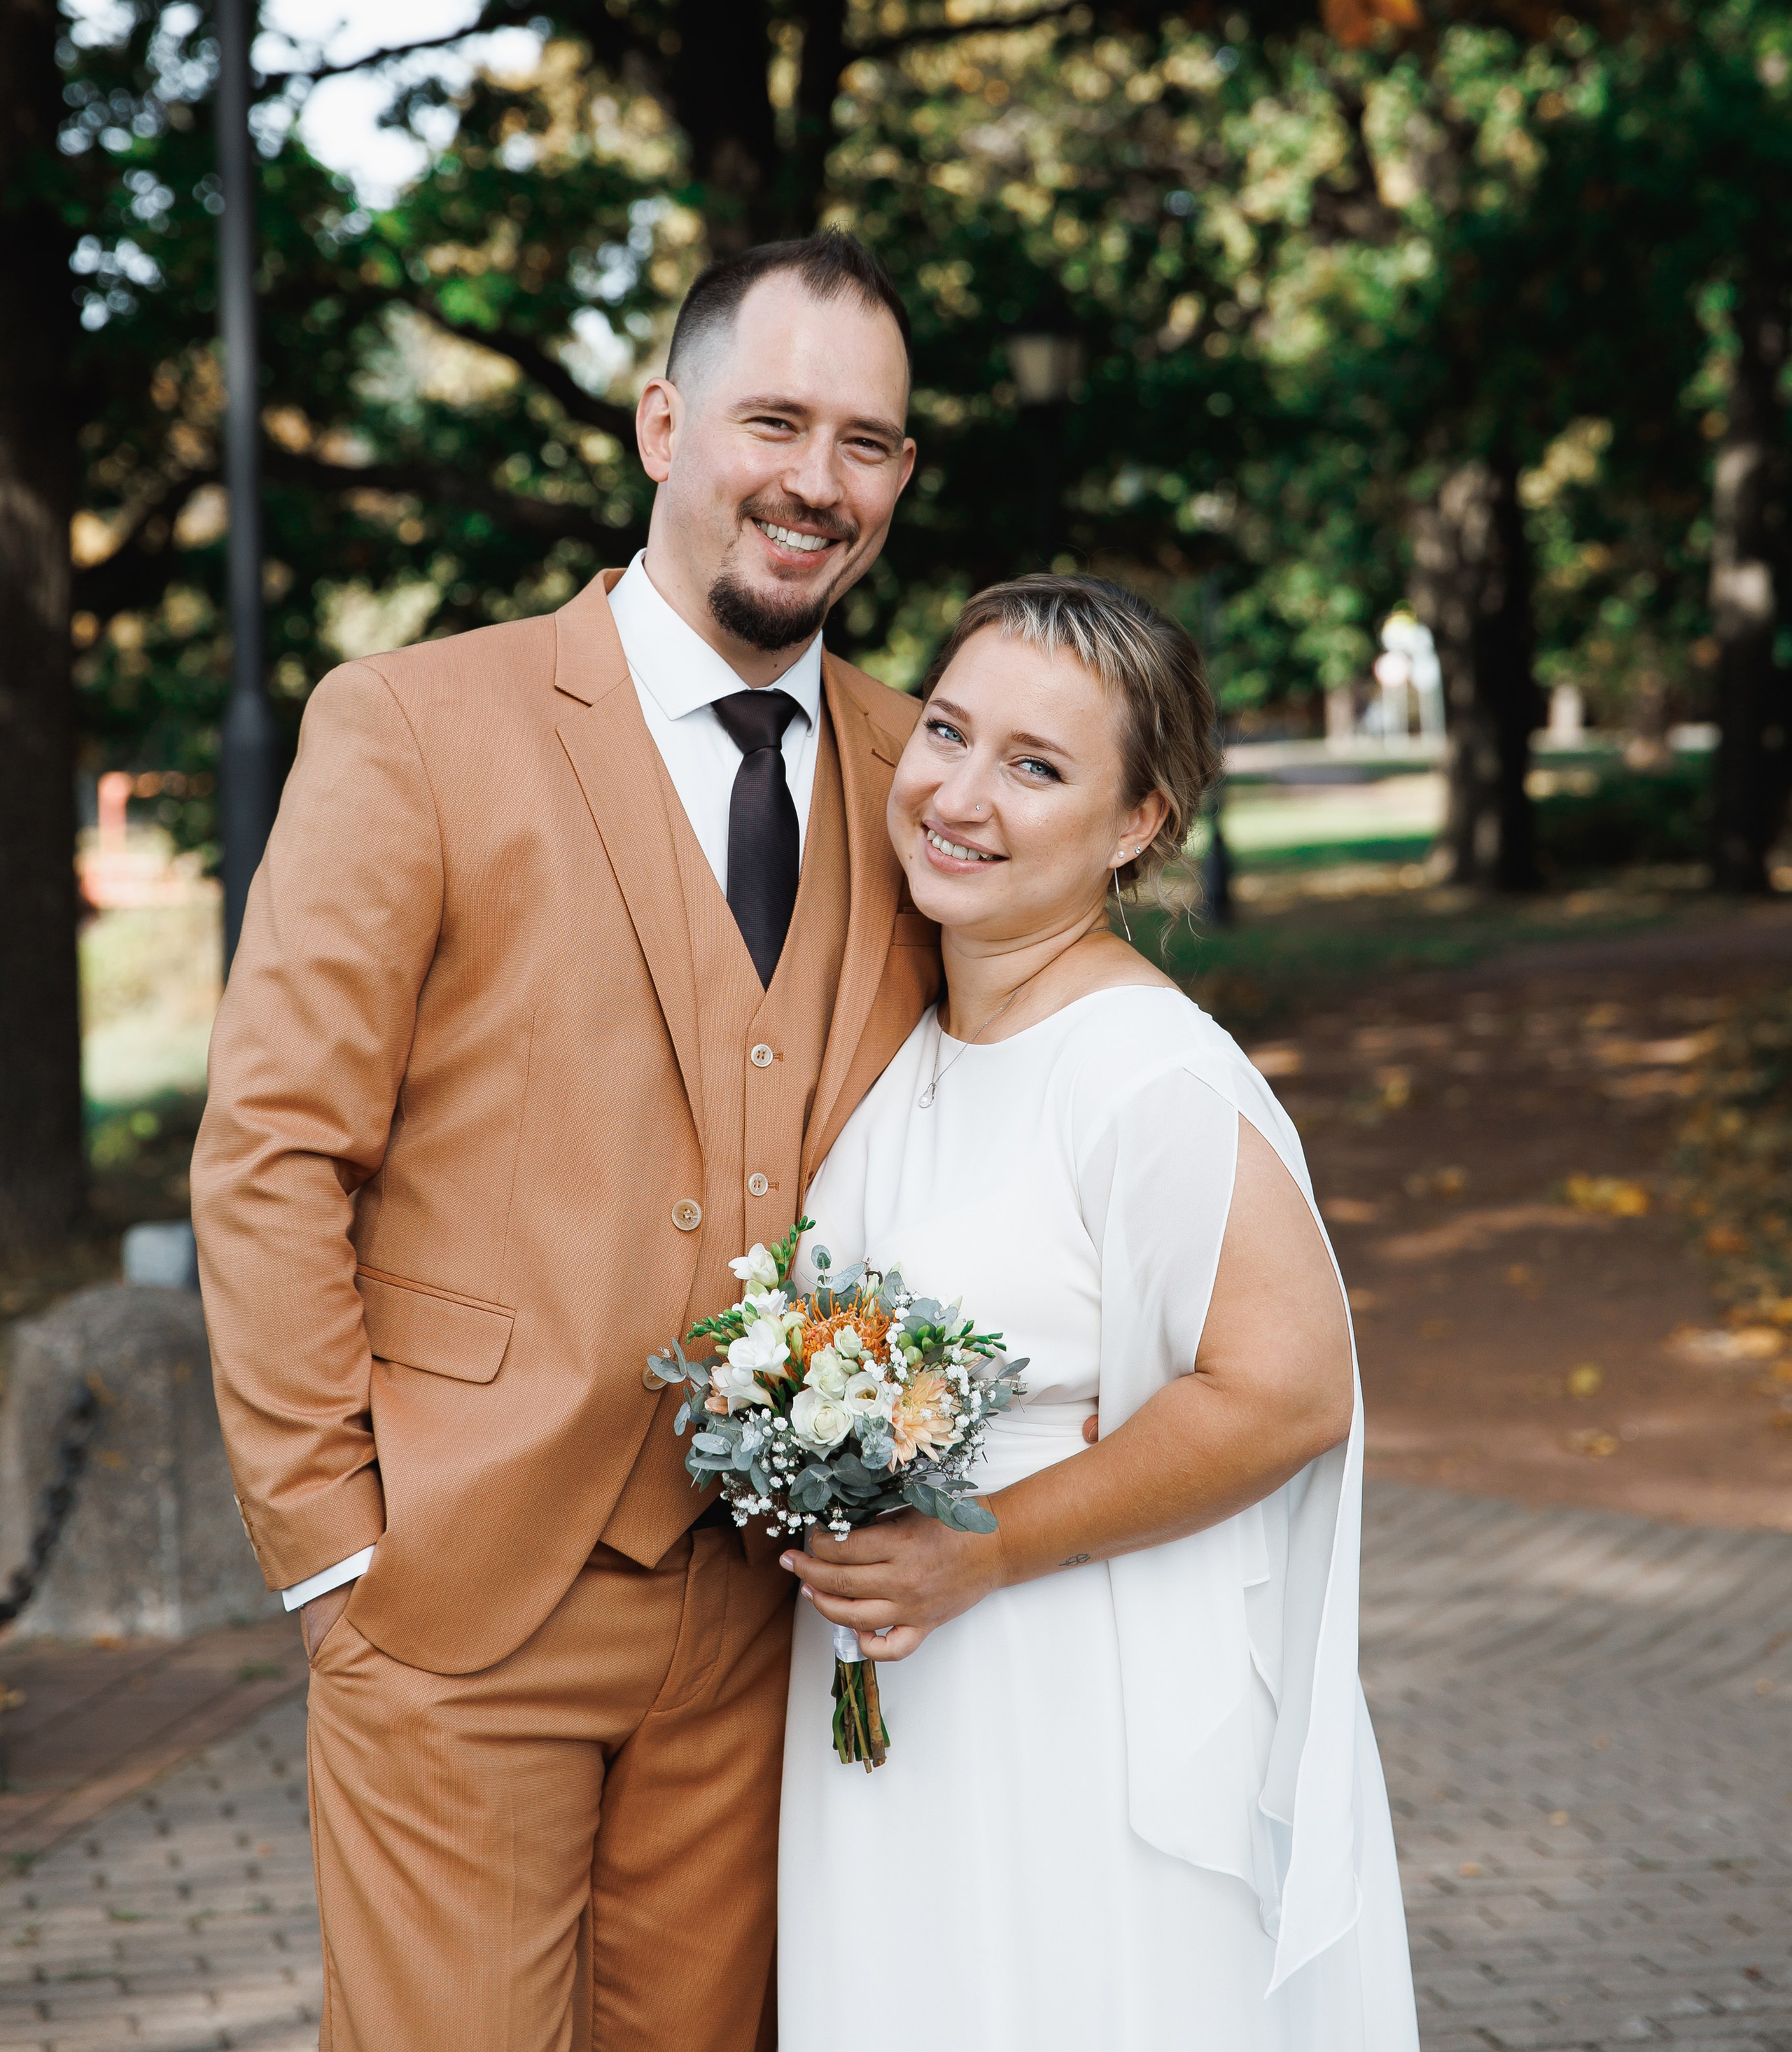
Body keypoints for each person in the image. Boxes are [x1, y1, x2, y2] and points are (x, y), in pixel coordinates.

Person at [190, 230, 939, 2052]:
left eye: (870, 442)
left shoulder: (924, 772)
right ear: (662, 422)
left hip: (771, 1627)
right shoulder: (419, 726)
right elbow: (277, 1149)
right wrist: (332, 1552)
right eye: (776, 420)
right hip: (460, 1594)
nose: (816, 481)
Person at [778, 575, 1420, 2051]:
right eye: (946, 731)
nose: (958, 792)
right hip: (898, 1710)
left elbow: (1283, 1393)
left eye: (1035, 766)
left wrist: (976, 1553)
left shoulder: (1145, 1076)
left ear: (1137, 823)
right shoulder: (913, 1053)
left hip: (1070, 1712)